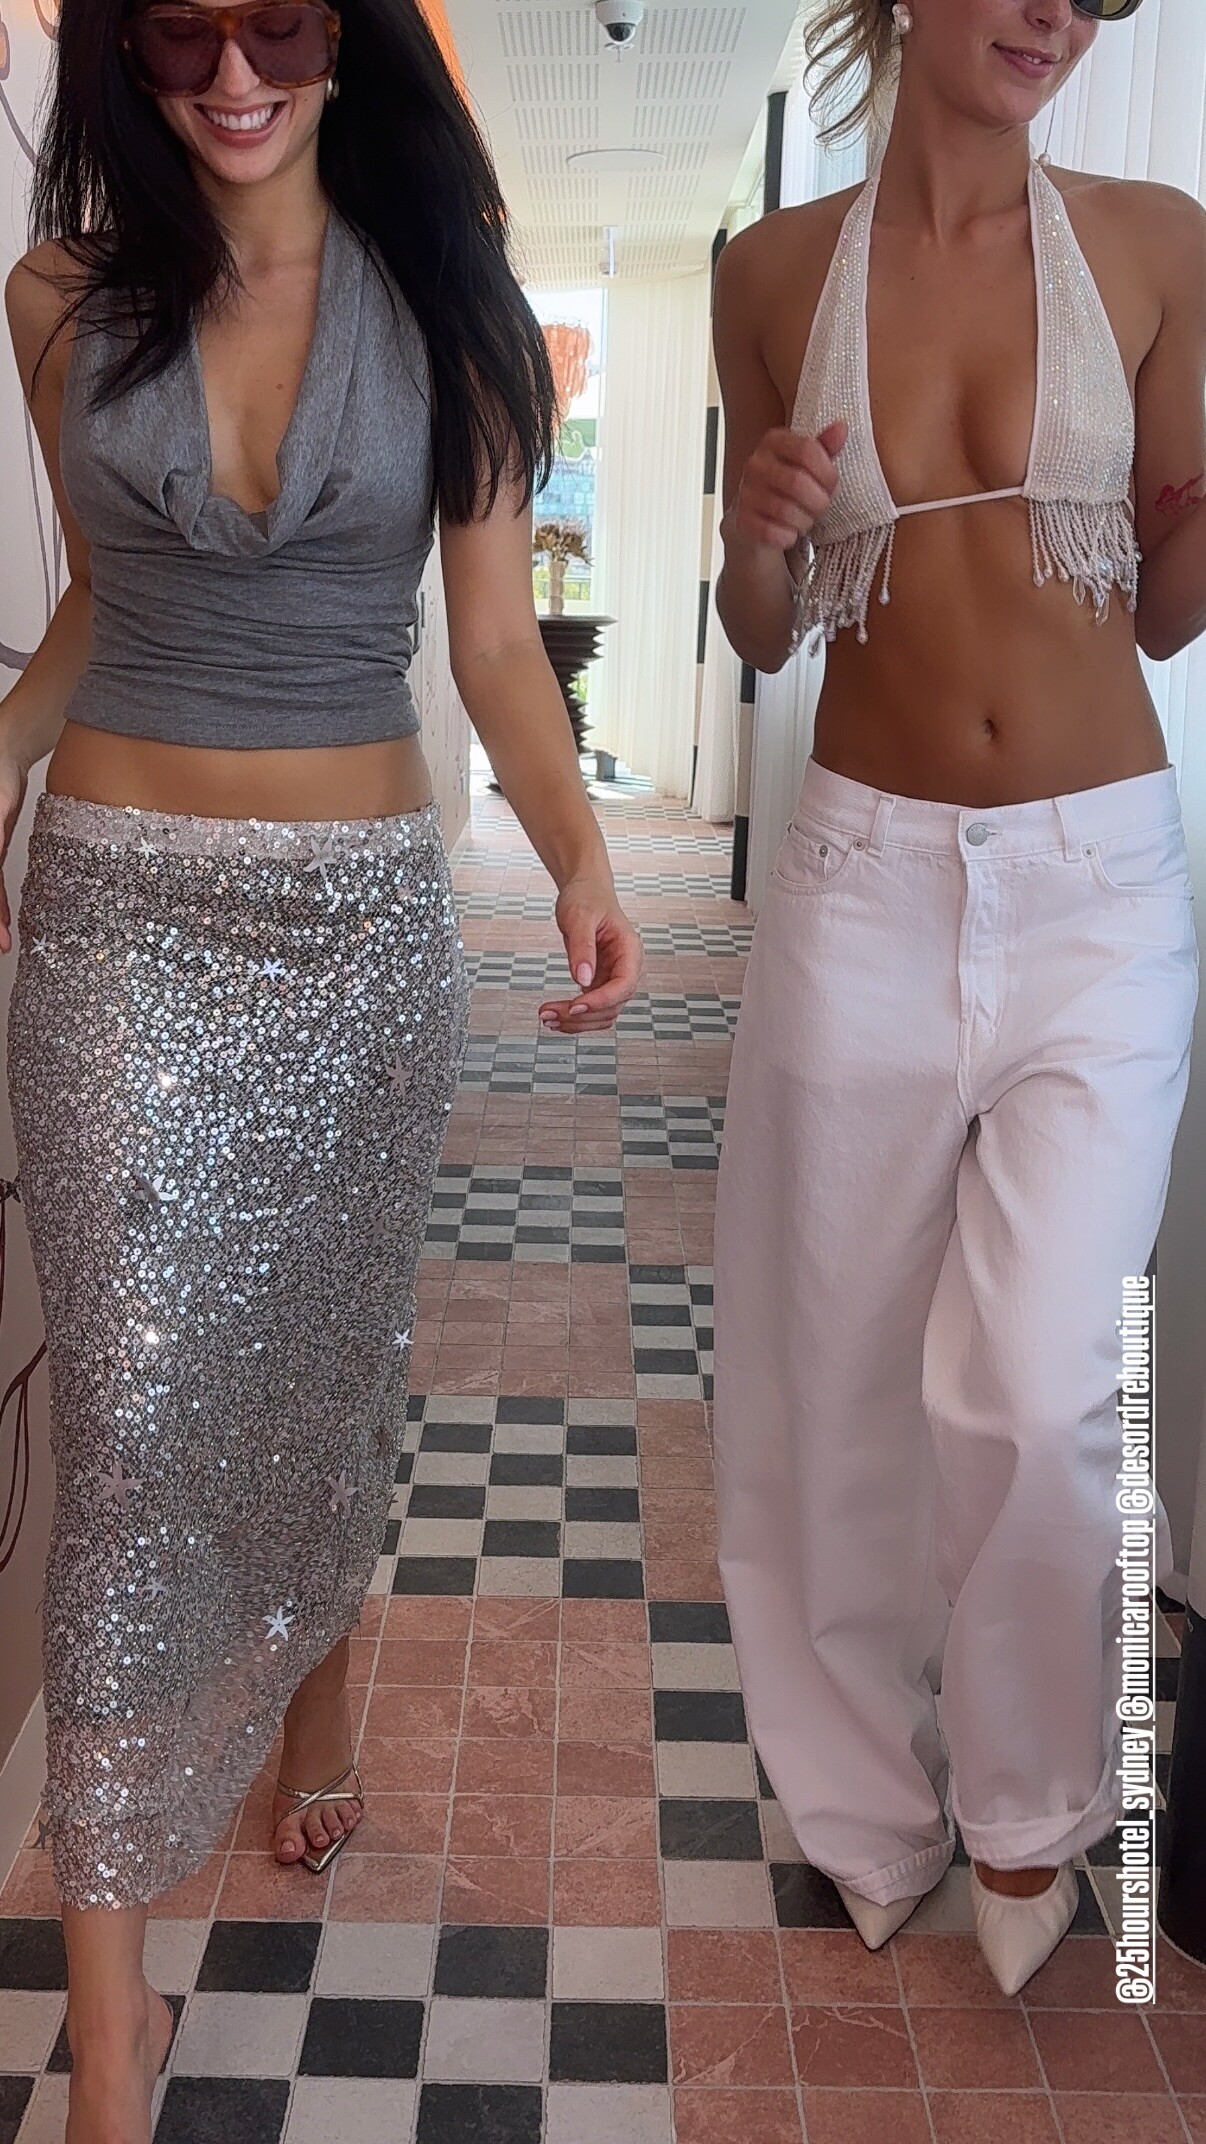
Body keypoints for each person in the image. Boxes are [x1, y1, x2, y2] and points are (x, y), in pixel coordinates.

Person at [1, 1, 642, 2134]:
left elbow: (492, 645)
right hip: (117, 918)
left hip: (361, 935)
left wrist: (578, 856)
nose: (231, 73)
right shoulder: (58, 297)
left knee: (322, 1363)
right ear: (125, 52)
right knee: (125, 1438)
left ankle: (319, 1682)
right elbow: (97, 604)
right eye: (179, 31)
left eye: (275, 20)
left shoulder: (451, 308)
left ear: (347, 35)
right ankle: (114, 2036)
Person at [712, 0, 1206, 1996]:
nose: (1057, 18)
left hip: (1100, 891)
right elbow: (761, 626)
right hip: (864, 878)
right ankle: (860, 1803)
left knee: (1039, 1376)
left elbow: (1164, 616)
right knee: (830, 1366)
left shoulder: (1158, 240)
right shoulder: (770, 273)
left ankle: (1029, 1804)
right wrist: (755, 538)